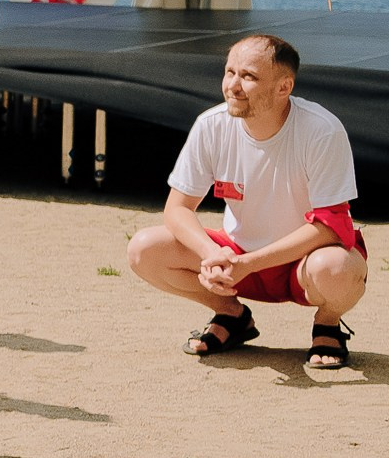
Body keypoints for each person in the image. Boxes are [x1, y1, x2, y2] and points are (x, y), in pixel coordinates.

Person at [126, 34, 367, 369]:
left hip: (303, 264)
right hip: (237, 258)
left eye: (249, 77)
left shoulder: (321, 130)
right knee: (143, 249)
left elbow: (331, 227)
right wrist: (212, 256)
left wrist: (249, 264)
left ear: (284, 87)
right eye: (229, 72)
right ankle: (232, 316)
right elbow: (177, 208)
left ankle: (327, 323)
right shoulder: (211, 125)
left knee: (337, 268)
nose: (233, 86)